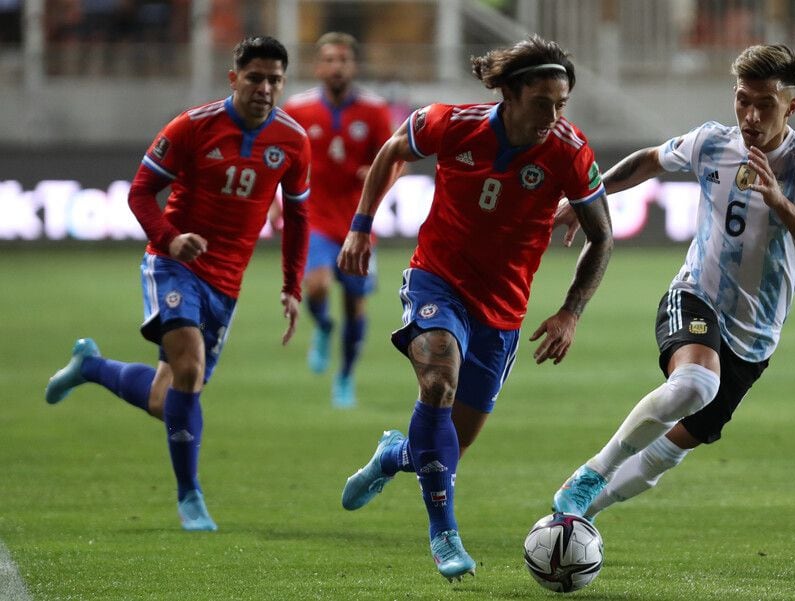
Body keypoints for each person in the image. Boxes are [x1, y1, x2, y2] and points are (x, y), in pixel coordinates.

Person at [337, 35, 615, 581]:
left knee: (445, 447)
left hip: (502, 310)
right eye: (543, 102)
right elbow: (393, 149)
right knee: (437, 382)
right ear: (510, 93)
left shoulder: (569, 150)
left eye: (562, 105)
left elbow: (602, 236)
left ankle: (395, 455)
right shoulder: (452, 124)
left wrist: (570, 311)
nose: (553, 116)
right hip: (436, 280)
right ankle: (444, 536)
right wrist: (361, 227)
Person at [552, 44, 795, 522]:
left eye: (764, 104)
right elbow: (649, 160)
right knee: (695, 385)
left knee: (668, 454)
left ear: (790, 106)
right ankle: (592, 473)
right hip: (695, 296)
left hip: (755, 337)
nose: (750, 115)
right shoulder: (711, 142)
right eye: (742, 100)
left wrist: (779, 201)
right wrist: (590, 196)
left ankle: (576, 519)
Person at [44, 36, 312, 532]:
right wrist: (169, 240)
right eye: (255, 77)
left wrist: (291, 286)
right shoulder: (192, 126)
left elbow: (297, 217)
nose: (265, 88)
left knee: (165, 401)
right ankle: (190, 496)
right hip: (172, 265)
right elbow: (141, 192)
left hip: (227, 282)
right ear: (234, 79)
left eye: (275, 79)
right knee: (188, 370)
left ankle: (92, 366)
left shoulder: (293, 141)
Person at [278, 32, 394, 408]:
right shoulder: (298, 109)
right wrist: (275, 200)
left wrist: (378, 178)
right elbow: (279, 158)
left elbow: (398, 160)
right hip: (314, 219)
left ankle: (344, 376)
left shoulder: (375, 111)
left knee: (355, 305)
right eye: (329, 59)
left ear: (353, 65)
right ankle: (324, 328)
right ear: (318, 65)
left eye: (343, 60)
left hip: (358, 223)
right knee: (316, 287)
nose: (336, 66)